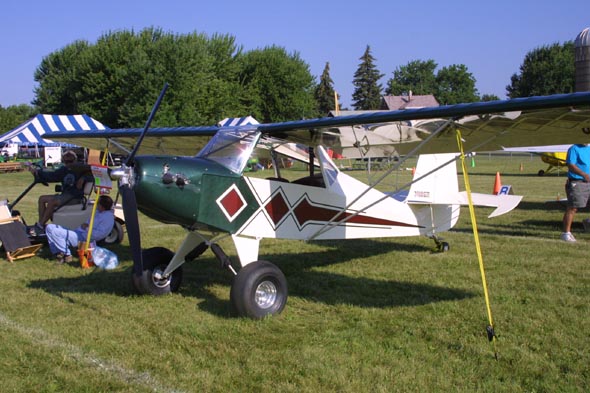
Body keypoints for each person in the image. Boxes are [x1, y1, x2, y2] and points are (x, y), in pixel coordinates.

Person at [28, 150, 92, 234]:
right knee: (42, 198)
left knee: (52, 202)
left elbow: (94, 174)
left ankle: (40, 224)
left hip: (75, 197)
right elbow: (51, 176)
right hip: (66, 196)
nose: (69, 164)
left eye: (71, 161)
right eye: (66, 162)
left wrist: (84, 178)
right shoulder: (64, 170)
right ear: (63, 161)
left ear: (75, 160)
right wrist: (37, 172)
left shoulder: (80, 168)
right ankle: (41, 225)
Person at [45, 195, 115, 263]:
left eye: (97, 203)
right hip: (79, 231)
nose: (96, 204)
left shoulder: (107, 218)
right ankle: (57, 253)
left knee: (55, 232)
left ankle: (67, 255)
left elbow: (99, 234)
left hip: (84, 238)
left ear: (102, 207)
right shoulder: (98, 212)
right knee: (49, 227)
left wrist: (87, 228)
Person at [561, 143, 590, 242]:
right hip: (577, 182)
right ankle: (566, 233)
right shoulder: (574, 148)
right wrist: (584, 174)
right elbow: (571, 164)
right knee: (573, 207)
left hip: (588, 182)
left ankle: (588, 223)